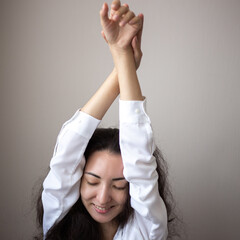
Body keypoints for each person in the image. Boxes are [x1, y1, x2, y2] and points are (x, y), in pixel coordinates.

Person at [35, 1, 178, 239]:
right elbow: (67, 150)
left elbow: (139, 160)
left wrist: (124, 59)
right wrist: (123, 64)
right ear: (77, 180)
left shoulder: (147, 230)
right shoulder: (59, 218)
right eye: (92, 182)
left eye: (119, 185)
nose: (102, 198)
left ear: (132, 190)